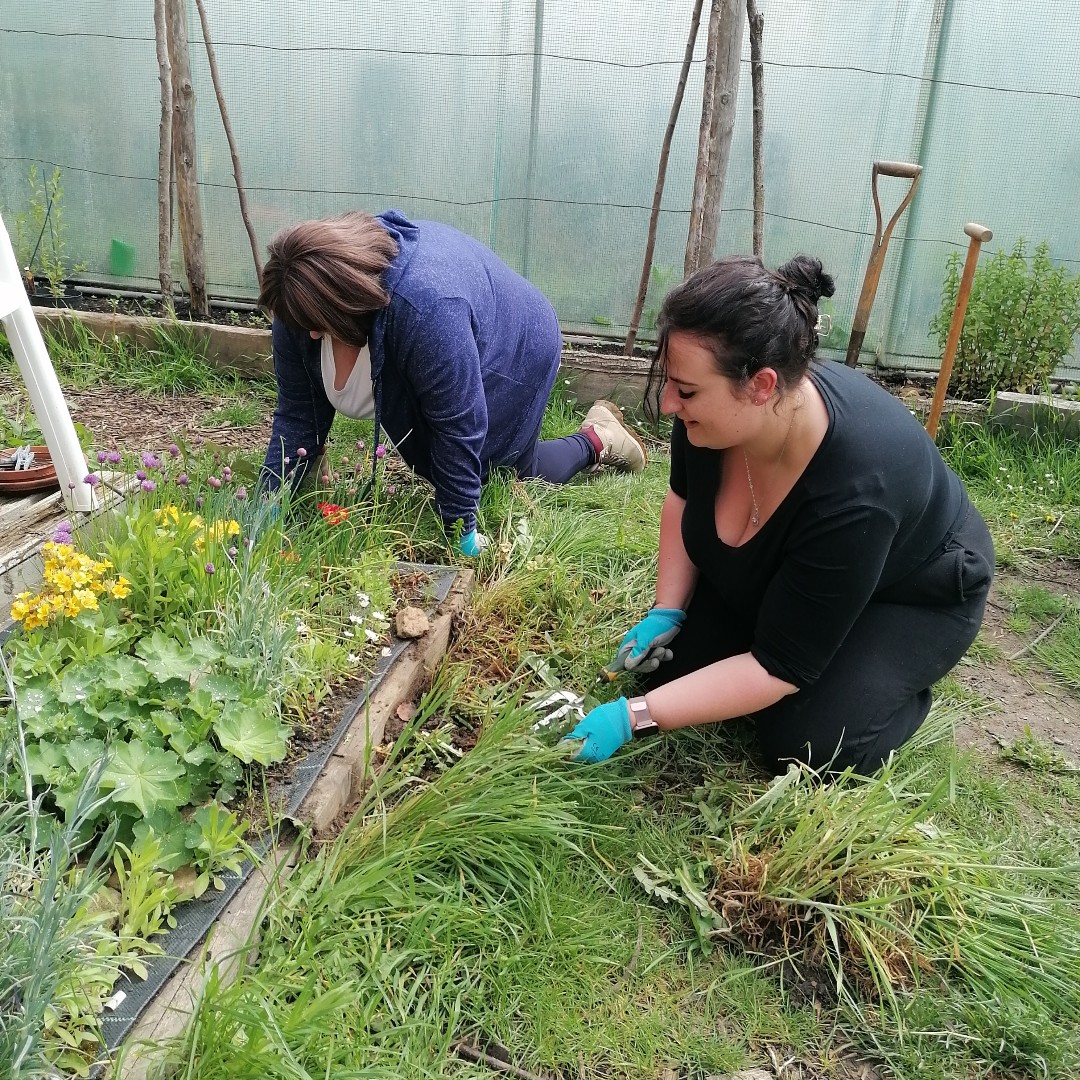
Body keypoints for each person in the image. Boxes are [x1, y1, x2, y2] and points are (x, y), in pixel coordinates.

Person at [566, 254, 994, 774]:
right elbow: (681, 498)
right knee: (671, 671)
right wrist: (669, 608)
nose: (670, 405)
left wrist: (633, 718)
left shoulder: (856, 490)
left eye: (687, 391)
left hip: (910, 592)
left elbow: (778, 666)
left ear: (762, 385)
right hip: (810, 564)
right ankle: (795, 634)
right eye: (673, 384)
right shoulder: (711, 416)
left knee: (806, 746)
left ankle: (886, 684)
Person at [257, 209, 647, 554]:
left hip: (519, 339)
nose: (308, 336)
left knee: (500, 473)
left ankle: (599, 437)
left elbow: (457, 425)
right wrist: (266, 507)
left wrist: (460, 528)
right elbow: (298, 414)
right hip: (452, 315)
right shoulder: (298, 303)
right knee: (446, 460)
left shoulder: (425, 311)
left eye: (315, 325)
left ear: (343, 303)